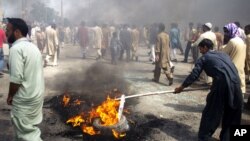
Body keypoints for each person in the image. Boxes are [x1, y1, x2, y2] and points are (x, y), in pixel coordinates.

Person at [175, 39, 243, 141]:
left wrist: (181, 87)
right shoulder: (223, 55)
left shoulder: (204, 58)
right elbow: (227, 70)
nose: (200, 51)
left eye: (201, 49)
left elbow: (194, 75)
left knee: (211, 112)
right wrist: (217, 82)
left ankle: (204, 136)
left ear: (205, 47)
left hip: (222, 86)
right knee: (232, 115)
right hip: (236, 84)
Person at [6, 18, 44, 141]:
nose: (6, 32)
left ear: (17, 32)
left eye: (8, 30)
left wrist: (10, 96)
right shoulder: (33, 47)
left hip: (25, 98)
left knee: (27, 135)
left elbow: (16, 79)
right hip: (36, 95)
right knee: (27, 130)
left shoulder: (16, 49)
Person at [221, 23, 246, 95]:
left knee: (230, 89)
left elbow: (222, 54)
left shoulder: (232, 41)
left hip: (231, 68)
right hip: (240, 68)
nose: (225, 34)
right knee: (240, 88)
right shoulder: (241, 40)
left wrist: (224, 43)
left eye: (227, 31)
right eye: (225, 32)